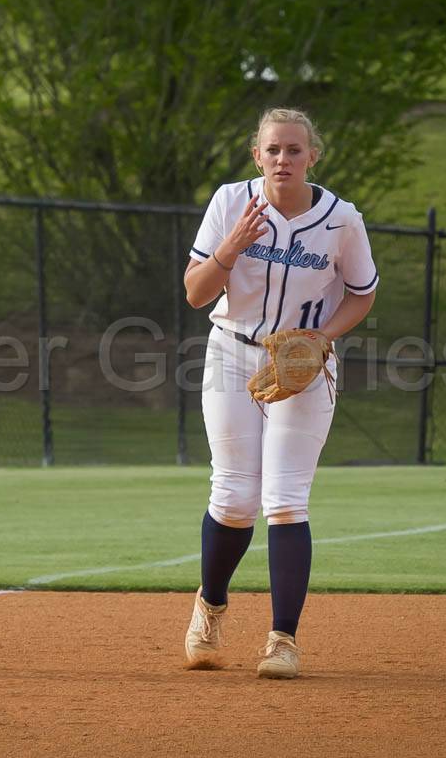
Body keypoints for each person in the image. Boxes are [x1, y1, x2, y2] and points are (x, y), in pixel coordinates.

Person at [182, 108, 378, 679]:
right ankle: (210, 607)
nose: (282, 159)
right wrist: (232, 246)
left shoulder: (341, 220)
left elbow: (362, 293)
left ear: (313, 155)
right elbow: (196, 294)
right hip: (231, 351)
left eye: (294, 150)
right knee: (235, 496)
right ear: (256, 155)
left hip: (303, 364)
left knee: (287, 498)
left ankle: (282, 640)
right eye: (272, 150)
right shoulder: (229, 203)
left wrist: (321, 339)